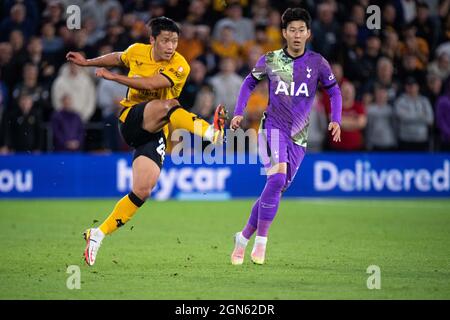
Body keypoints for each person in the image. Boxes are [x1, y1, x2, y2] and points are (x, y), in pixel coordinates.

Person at [66, 16, 226, 266]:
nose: (171, 46)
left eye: (174, 41)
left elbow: (153, 83)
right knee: (171, 104)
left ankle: (97, 234)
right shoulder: (137, 52)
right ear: (152, 40)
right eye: (165, 41)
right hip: (131, 119)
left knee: (143, 190)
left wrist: (115, 78)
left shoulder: (181, 65)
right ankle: (210, 132)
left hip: (155, 130)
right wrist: (87, 62)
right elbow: (119, 57)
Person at [229, 8, 342, 265]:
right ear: (284, 33)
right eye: (292, 30)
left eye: (301, 30)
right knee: (278, 177)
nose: (297, 34)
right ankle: (261, 243)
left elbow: (334, 92)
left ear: (309, 33)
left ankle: (243, 237)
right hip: (272, 128)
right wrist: (238, 112)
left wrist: (336, 119)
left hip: (299, 137)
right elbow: (248, 82)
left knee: (277, 186)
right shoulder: (270, 60)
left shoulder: (318, 63)